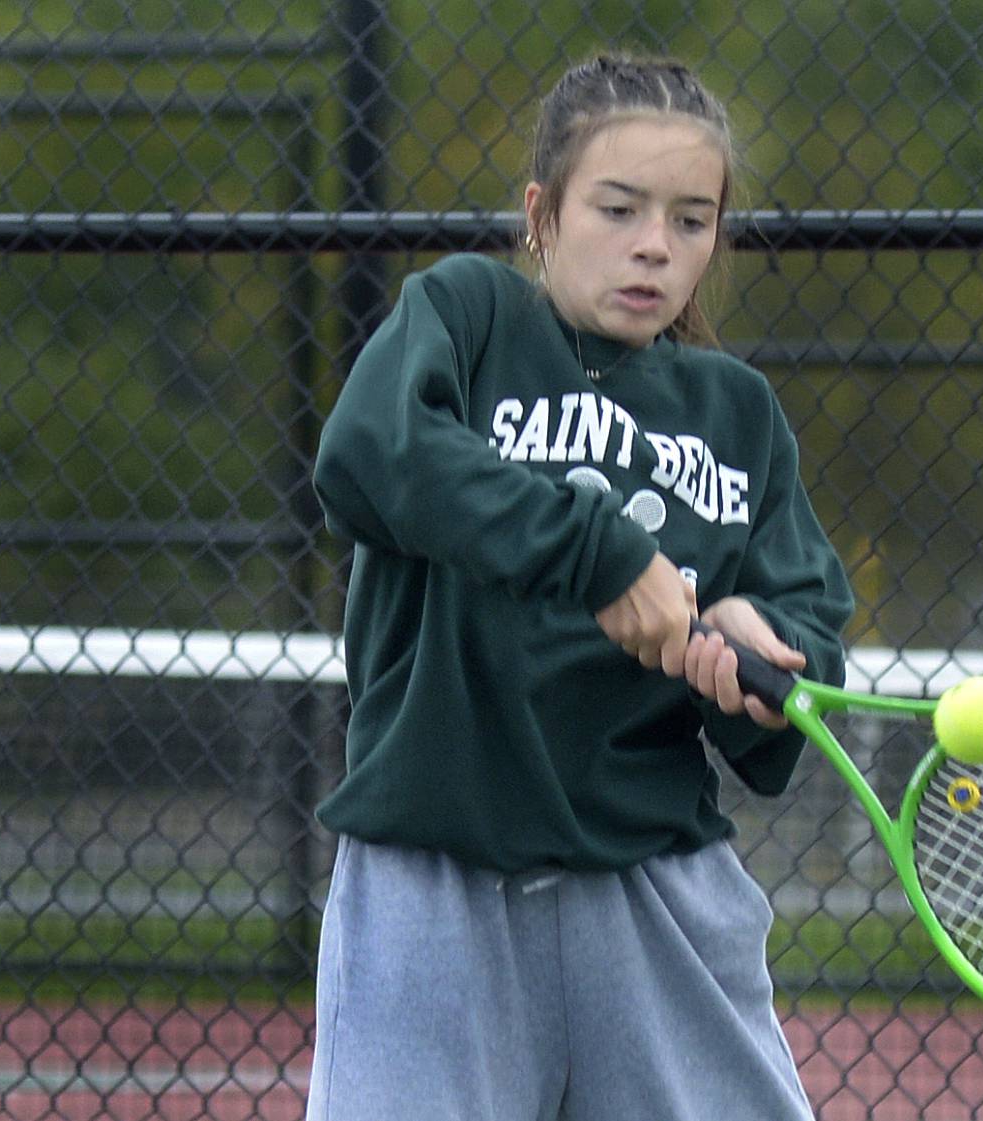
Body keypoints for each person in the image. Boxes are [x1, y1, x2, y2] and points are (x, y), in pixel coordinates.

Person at [307, 53, 854, 1121]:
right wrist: (600, 554)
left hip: (654, 893)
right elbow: (371, 453)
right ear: (542, 214)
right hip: (434, 884)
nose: (656, 243)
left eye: (693, 220)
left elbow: (795, 692)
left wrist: (760, 653)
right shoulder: (465, 318)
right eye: (619, 207)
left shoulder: (737, 413)